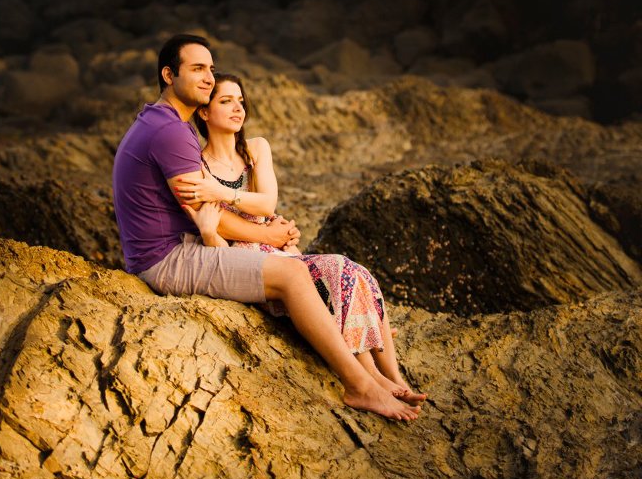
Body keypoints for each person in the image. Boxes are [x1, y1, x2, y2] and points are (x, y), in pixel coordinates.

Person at [113, 33, 422, 422]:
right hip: (167, 258)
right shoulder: (170, 131)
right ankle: (359, 386)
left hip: (175, 247)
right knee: (291, 274)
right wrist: (269, 235)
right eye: (197, 69)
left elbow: (216, 207)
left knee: (318, 270)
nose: (208, 77)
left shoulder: (168, 124)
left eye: (211, 69)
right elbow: (205, 210)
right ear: (168, 75)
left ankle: (378, 376)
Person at [185, 72, 424, 404]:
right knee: (340, 269)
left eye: (240, 101)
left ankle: (394, 378)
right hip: (253, 262)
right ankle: (371, 377)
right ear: (204, 112)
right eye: (226, 101)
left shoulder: (255, 149)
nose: (238, 108)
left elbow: (267, 204)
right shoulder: (198, 165)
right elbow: (221, 225)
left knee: (359, 274)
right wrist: (264, 229)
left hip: (282, 250)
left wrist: (225, 194)